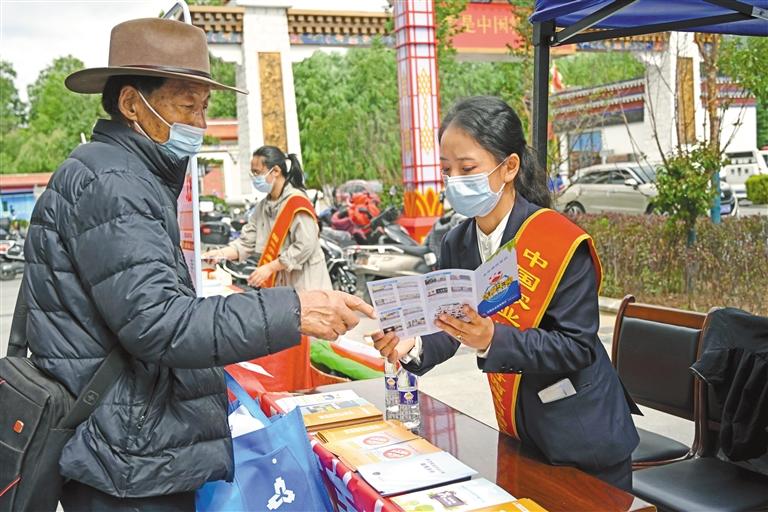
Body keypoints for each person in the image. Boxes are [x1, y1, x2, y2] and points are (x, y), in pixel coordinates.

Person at [23, 18, 373, 510]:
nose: (201, 125)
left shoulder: (116, 171)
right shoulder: (115, 183)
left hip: (123, 439)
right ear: (132, 104)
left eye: (205, 107)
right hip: (127, 454)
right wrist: (294, 309)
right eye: (188, 106)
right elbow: (159, 323)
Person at [372, 96, 639, 491]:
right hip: (519, 432)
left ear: (509, 167)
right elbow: (448, 323)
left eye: (467, 168)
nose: (454, 181)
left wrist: (492, 339)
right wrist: (411, 344)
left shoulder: (558, 241)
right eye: (446, 170)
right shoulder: (457, 241)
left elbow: (577, 347)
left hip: (585, 435)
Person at [202, 146, 332, 291]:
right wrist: (219, 254)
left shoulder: (297, 203)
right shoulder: (262, 207)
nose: (254, 178)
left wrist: (270, 267)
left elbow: (305, 245)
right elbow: (245, 243)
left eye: (257, 172)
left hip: (307, 284)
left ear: (275, 171)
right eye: (252, 173)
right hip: (281, 287)